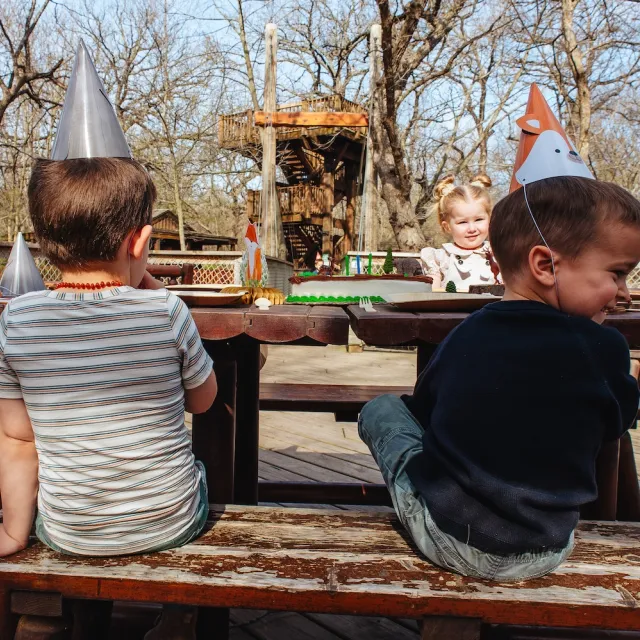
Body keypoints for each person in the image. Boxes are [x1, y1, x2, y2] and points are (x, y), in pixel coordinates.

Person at [358, 86, 640, 582]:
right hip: (549, 545)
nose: (623, 292)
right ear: (544, 265)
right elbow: (616, 426)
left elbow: (424, 412)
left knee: (383, 410)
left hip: (448, 537)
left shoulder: (466, 335)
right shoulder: (605, 349)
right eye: (617, 274)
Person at [0, 42, 217, 639]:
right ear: (140, 241)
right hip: (168, 519)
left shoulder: (16, 322)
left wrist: (17, 531)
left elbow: (18, 443)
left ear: (44, 244)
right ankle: (182, 612)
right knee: (199, 472)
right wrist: (144, 287)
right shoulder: (167, 311)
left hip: (69, 530)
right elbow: (203, 402)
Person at [420, 174, 500, 291]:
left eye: (478, 220)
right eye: (462, 222)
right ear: (447, 227)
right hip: (450, 309)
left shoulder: (499, 255)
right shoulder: (441, 258)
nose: (472, 228)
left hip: (491, 308)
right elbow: (432, 292)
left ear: (490, 219)